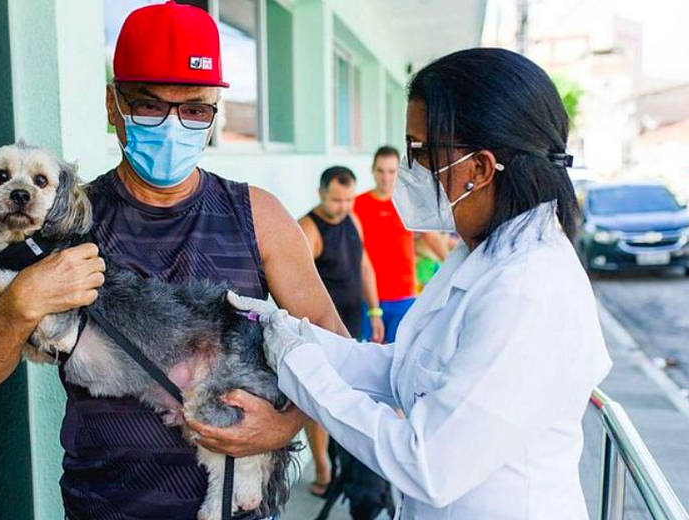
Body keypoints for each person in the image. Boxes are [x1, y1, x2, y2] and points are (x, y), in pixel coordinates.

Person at [0, 4, 348, 520]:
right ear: (113, 106)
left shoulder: (260, 215)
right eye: (148, 105)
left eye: (196, 109)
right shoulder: (64, 220)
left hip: (233, 507)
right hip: (103, 506)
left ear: (216, 111)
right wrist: (18, 305)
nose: (173, 124)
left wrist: (286, 423)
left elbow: (330, 341)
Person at [230, 48, 613, 520]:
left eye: (420, 152)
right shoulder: (479, 254)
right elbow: (401, 371)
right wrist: (288, 332)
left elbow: (427, 462)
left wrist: (300, 365)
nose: (409, 173)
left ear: (479, 168)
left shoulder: (527, 289)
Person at [297, 166, 388, 518]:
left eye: (349, 199)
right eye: (337, 199)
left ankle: (344, 466)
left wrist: (376, 309)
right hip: (322, 334)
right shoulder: (308, 229)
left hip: (352, 326)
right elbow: (297, 286)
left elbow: (363, 264)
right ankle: (323, 469)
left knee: (347, 398)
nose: (343, 206)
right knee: (317, 405)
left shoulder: (353, 219)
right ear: (322, 193)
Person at [354, 146, 449, 342]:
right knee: (369, 357)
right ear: (373, 170)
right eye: (380, 171)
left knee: (399, 355)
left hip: (404, 295)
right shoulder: (357, 205)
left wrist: (454, 263)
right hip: (368, 297)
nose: (386, 178)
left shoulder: (408, 203)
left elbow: (430, 236)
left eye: (391, 171)